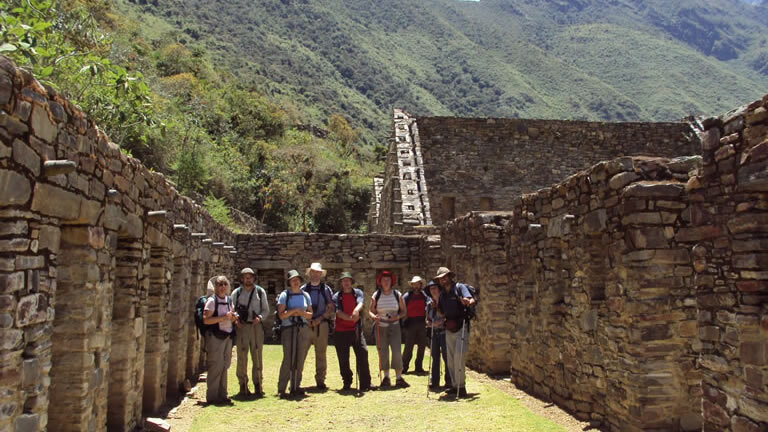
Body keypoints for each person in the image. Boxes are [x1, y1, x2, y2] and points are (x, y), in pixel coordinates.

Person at [435, 267, 475, 398]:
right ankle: (454, 385)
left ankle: (461, 387)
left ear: (449, 277)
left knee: (459, 357)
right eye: (441, 278)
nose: (443, 280)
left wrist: (468, 301)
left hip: (461, 326)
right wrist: (435, 307)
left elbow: (471, 300)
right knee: (450, 359)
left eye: (444, 277)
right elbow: (441, 312)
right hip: (449, 327)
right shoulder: (442, 295)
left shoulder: (459, 287)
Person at [232, 267, 269, 397]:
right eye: (245, 277)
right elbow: (232, 309)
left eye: (250, 277)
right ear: (242, 279)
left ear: (254, 278)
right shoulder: (236, 293)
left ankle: (258, 384)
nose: (248, 279)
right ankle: (243, 385)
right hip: (242, 327)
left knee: (257, 355)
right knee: (242, 356)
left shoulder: (260, 291)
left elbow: (265, 310)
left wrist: (260, 318)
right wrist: (236, 319)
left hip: (256, 327)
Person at [332, 272, 372, 392]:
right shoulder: (336, 296)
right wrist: (351, 318)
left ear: (351, 282)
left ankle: (365, 383)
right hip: (341, 331)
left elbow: (360, 303)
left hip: (356, 330)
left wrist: (355, 311)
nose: (346, 283)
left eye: (348, 280)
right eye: (344, 280)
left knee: (363, 353)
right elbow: (338, 312)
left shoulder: (357, 292)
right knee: (343, 359)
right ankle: (347, 382)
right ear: (341, 283)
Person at [369, 270, 409, 388]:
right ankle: (386, 378)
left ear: (392, 282)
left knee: (396, 351)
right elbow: (370, 311)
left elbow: (404, 311)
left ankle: (398, 378)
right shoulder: (376, 295)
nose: (386, 282)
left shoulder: (397, 295)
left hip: (395, 326)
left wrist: (397, 317)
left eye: (388, 280)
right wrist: (374, 317)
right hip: (380, 326)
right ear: (380, 282)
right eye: (384, 280)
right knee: (383, 351)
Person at [277, 270, 313, 399]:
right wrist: (294, 311)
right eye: (293, 280)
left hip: (302, 328)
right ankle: (282, 388)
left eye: (297, 279)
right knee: (288, 358)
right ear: (289, 282)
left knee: (300, 357)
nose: (296, 282)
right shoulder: (284, 295)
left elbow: (310, 314)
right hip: (288, 328)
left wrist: (301, 313)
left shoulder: (305, 295)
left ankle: (296, 386)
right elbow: (281, 315)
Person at [202, 275, 237, 405]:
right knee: (215, 366)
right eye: (220, 284)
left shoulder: (229, 300)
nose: (222, 287)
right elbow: (206, 320)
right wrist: (223, 317)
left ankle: (223, 395)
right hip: (215, 337)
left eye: (224, 284)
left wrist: (233, 318)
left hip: (227, 336)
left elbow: (231, 316)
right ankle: (212, 397)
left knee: (224, 366)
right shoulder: (212, 301)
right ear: (216, 287)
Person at [301, 262, 335, 390]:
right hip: (306, 325)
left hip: (322, 325)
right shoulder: (303, 289)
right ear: (310, 273)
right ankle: (296, 380)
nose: (315, 274)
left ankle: (320, 380)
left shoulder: (326, 289)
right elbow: (300, 306)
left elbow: (330, 307)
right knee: (301, 353)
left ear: (321, 274)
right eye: (313, 272)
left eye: (317, 272)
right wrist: (307, 319)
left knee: (321, 354)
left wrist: (320, 319)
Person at [425, 280, 451, 390]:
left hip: (444, 332)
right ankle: (435, 382)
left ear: (439, 289)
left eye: (435, 288)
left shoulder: (444, 301)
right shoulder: (429, 304)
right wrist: (429, 323)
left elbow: (447, 316)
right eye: (431, 289)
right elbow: (427, 318)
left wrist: (438, 321)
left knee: (446, 357)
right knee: (435, 357)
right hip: (434, 333)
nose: (433, 291)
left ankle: (449, 382)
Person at [402, 276, 428, 374]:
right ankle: (404, 367)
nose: (416, 286)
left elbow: (428, 306)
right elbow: (402, 308)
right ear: (412, 285)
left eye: (418, 284)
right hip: (410, 323)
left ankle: (419, 367)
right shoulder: (407, 296)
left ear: (420, 285)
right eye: (414, 284)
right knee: (408, 346)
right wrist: (404, 321)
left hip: (422, 322)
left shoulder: (424, 296)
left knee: (422, 346)